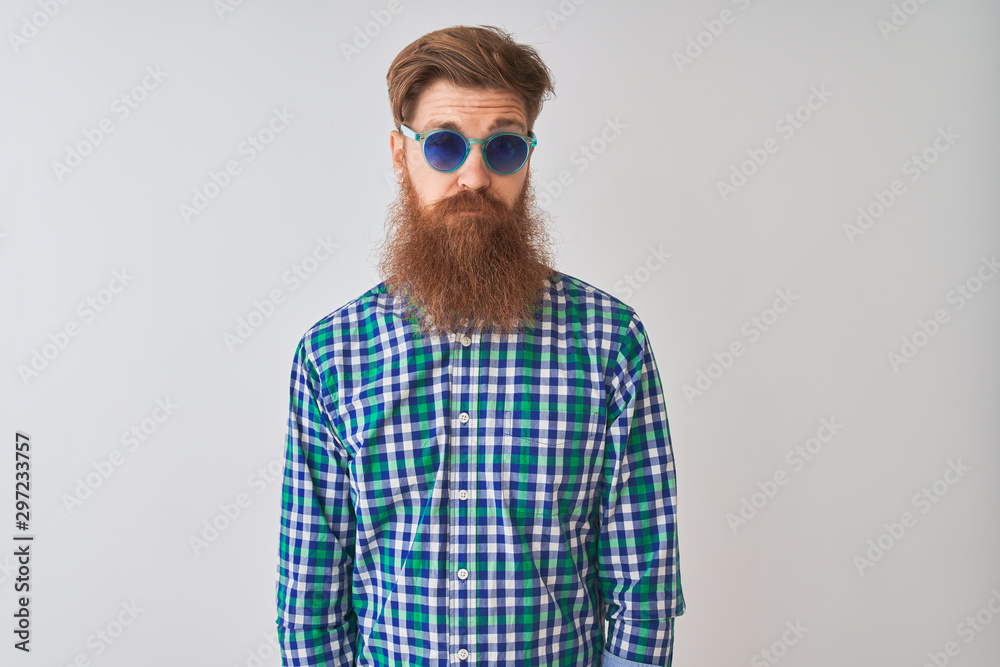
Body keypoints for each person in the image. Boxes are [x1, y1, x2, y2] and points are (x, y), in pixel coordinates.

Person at [275, 24, 685, 666]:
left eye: (503, 147)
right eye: (443, 145)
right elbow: (311, 606)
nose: (473, 175)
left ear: (527, 156)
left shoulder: (611, 344)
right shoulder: (332, 355)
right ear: (399, 152)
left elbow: (643, 592)